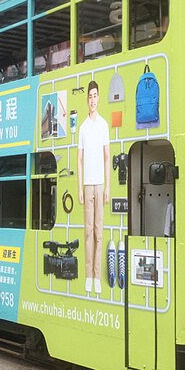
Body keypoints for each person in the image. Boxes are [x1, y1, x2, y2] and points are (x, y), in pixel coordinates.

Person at [77, 80, 110, 295]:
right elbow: (79, 160)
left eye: (95, 95)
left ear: (99, 98)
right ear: (87, 99)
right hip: (88, 184)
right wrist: (79, 188)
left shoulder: (104, 125)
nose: (92, 100)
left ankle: (97, 276)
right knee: (88, 232)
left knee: (99, 232)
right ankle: (88, 276)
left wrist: (107, 186)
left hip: (100, 183)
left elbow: (108, 157)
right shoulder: (82, 127)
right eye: (89, 96)